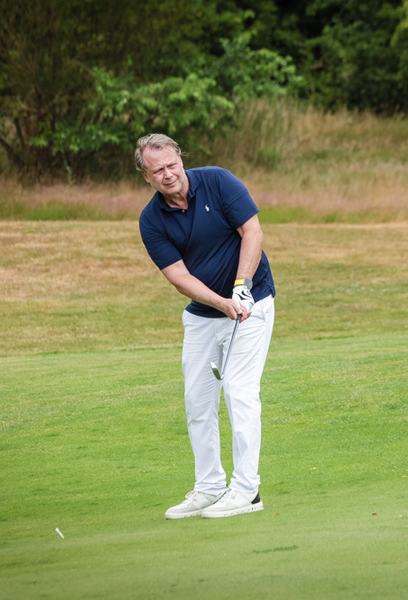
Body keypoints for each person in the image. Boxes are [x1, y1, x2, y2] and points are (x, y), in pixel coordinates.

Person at [135, 133, 275, 519]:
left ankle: (247, 490)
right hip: (204, 315)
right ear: (146, 176)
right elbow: (179, 277)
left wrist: (241, 287)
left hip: (251, 305)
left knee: (239, 391)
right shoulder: (151, 220)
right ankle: (211, 487)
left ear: (181, 159)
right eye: (157, 171)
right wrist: (221, 302)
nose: (168, 174)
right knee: (198, 401)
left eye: (171, 165)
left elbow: (253, 232)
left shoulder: (217, 180)